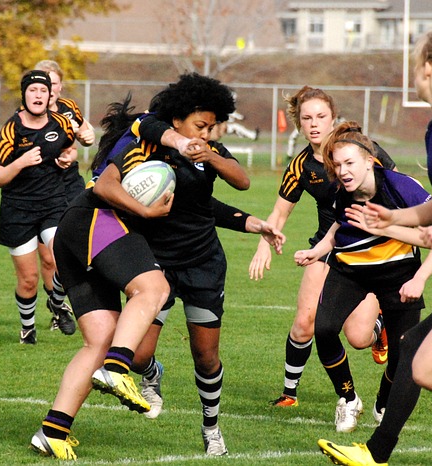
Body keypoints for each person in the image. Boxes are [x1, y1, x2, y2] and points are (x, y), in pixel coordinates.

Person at [318, 26, 432, 466]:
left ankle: (376, 453)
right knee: (418, 350)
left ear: (429, 70)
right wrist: (395, 218)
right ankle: (376, 452)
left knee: (422, 357)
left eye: (415, 65)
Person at [94, 73, 283, 456]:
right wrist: (143, 210)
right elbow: (105, 184)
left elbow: (241, 183)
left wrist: (209, 153)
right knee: (140, 354)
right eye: (201, 125)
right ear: (176, 120)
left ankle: (211, 428)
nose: (208, 132)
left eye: (213, 126)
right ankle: (152, 375)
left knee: (206, 355)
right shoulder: (146, 142)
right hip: (154, 263)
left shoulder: (209, 151)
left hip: (202, 262)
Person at [29, 133, 175, 462]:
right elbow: (105, 188)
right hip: (100, 221)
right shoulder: (146, 142)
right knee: (154, 288)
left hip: (73, 230)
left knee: (99, 340)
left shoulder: (132, 145)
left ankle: (52, 433)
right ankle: (117, 367)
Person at [295, 120, 432, 433]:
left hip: (399, 275)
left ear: (369, 161)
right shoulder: (339, 187)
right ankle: (348, 400)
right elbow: (339, 225)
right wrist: (319, 250)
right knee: (323, 329)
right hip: (349, 270)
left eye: (350, 163)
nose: (343, 170)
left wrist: (420, 279)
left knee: (403, 354)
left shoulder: (399, 186)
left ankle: (383, 401)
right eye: (337, 164)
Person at [249, 86, 392, 409]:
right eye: (307, 118)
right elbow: (280, 211)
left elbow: (395, 186)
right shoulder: (301, 165)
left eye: (321, 117)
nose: (314, 124)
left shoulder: (361, 150)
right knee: (304, 321)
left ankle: (379, 325)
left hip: (367, 249)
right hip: (325, 249)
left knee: (358, 338)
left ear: (333, 118)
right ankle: (289, 393)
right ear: (299, 124)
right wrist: (264, 243)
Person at [0, 70, 76, 344]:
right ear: (24, 95)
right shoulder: (11, 129)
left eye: (43, 91)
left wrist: (66, 158)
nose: (38, 95)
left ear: (50, 95)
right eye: (32, 91)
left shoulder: (61, 122)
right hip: (18, 211)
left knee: (63, 258)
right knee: (28, 279)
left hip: (52, 204)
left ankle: (57, 303)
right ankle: (27, 328)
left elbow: (70, 148)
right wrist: (20, 162)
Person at [31, 59, 95, 335]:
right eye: (43, 83)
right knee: (49, 258)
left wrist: (87, 135)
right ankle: (59, 307)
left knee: (76, 246)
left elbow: (86, 133)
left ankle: (59, 302)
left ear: (59, 86)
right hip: (40, 189)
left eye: (53, 83)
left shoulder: (69, 109)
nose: (49, 88)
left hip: (71, 185)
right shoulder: (28, 115)